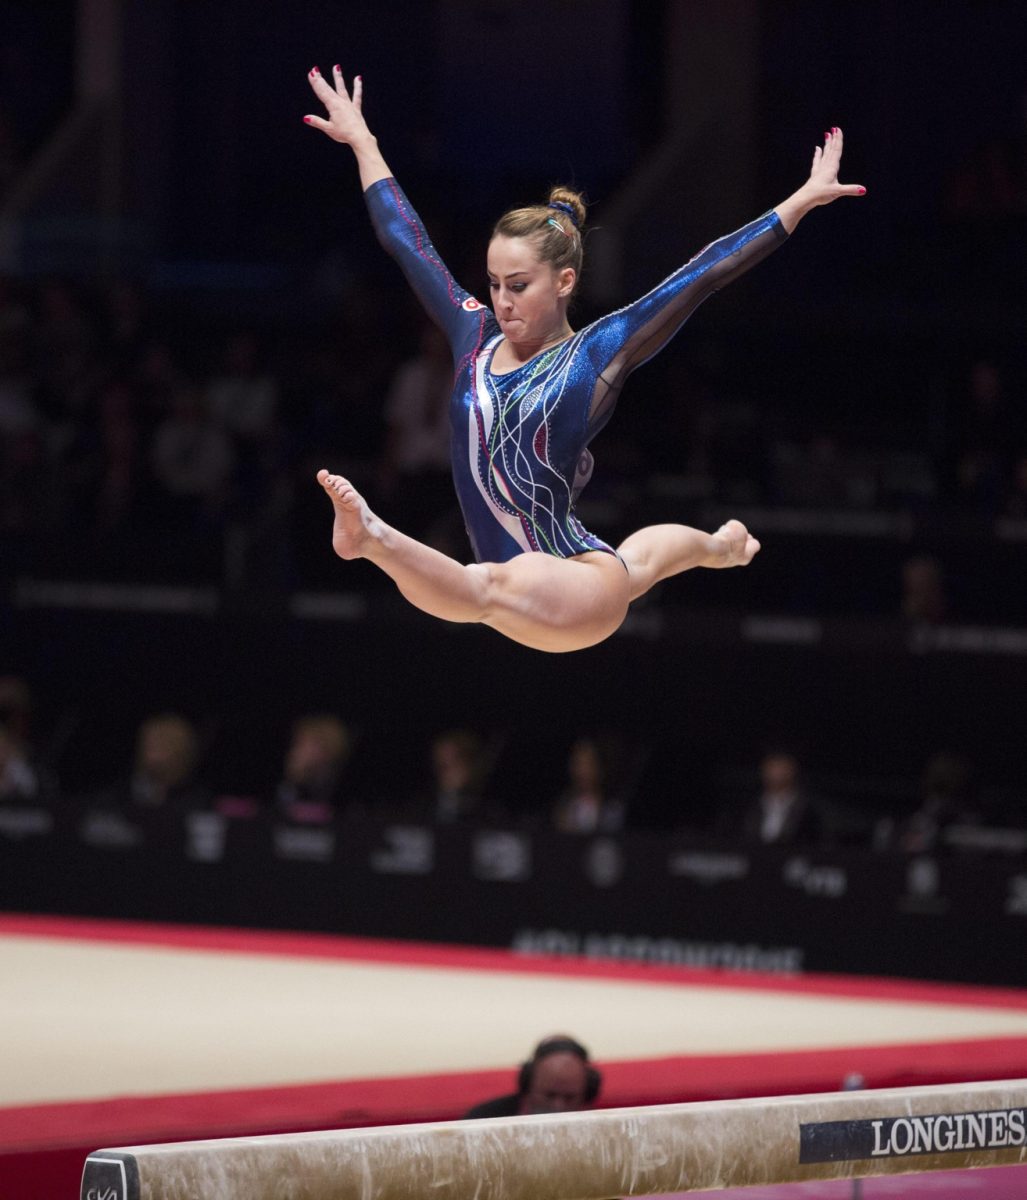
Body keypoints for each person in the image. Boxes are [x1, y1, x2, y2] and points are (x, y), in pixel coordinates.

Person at [304, 66, 865, 652]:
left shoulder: (595, 354)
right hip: (526, 589)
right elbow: (408, 242)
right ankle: (722, 546)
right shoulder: (475, 336)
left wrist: (800, 201)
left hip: (573, 583)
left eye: (518, 285)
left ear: (564, 282)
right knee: (639, 563)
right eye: (493, 283)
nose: (501, 301)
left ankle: (371, 538)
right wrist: (363, 142)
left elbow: (702, 275)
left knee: (496, 585)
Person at [464, 1035, 602, 1119]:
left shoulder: (600, 1128)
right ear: (528, 1084)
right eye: (549, 1096)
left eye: (569, 1098)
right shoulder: (483, 1120)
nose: (558, 1107)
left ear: (587, 1093)